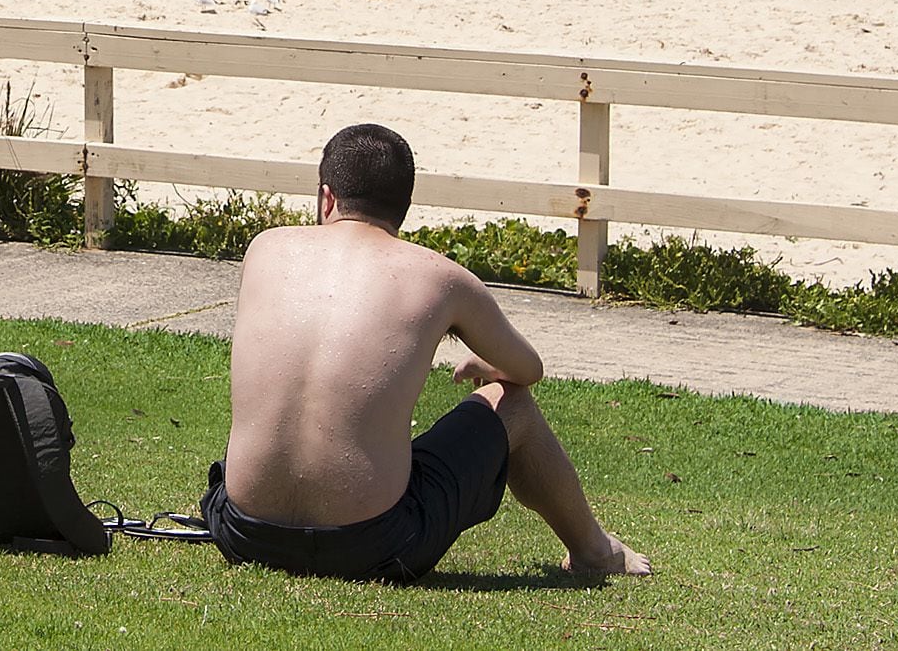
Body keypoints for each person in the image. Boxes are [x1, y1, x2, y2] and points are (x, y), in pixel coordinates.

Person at [204, 122, 649, 582]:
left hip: (243, 533)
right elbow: (527, 370)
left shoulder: (266, 249)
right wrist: (493, 365)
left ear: (326, 198)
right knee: (512, 403)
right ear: (403, 208)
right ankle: (594, 550)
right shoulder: (441, 277)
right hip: (372, 546)